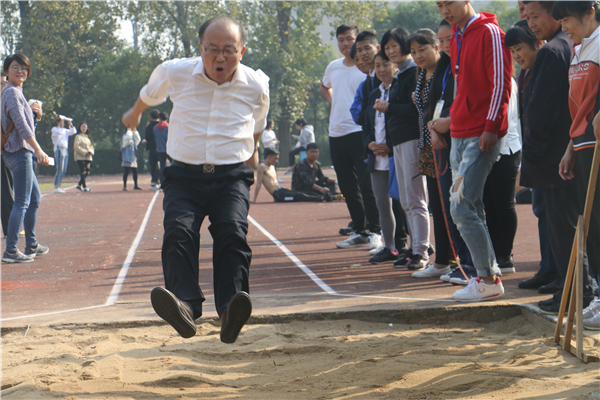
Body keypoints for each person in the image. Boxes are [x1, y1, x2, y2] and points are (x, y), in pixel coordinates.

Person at [122, 16, 269, 343]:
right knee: (178, 231)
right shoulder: (176, 72)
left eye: (229, 50)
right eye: (212, 49)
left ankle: (230, 308)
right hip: (183, 176)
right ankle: (185, 305)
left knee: (232, 232)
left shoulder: (256, 84)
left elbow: (258, 122)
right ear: (200, 48)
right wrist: (135, 112)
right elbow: (149, 93)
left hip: (231, 176)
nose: (220, 57)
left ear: (242, 51)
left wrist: (253, 150)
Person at [432, 1, 512, 302]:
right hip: (459, 132)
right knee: (470, 206)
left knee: (461, 205)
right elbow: (461, 87)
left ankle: (488, 278)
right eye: (439, 5)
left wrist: (492, 126)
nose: (445, 10)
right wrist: (452, 121)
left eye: (449, 3)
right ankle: (485, 276)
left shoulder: (490, 31)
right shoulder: (457, 35)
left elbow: (501, 82)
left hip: (481, 132)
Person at [522, 0, 594, 314]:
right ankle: (577, 293)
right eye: (527, 17)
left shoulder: (555, 51)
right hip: (571, 148)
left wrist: (533, 153)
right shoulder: (573, 47)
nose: (531, 24)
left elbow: (542, 110)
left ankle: (578, 294)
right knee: (571, 228)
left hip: (563, 155)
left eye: (535, 16)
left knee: (568, 228)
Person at [553, 0, 600, 329]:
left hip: (598, 143)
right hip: (582, 143)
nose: (564, 27)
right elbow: (578, 104)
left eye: (567, 19)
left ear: (590, 13)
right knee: (592, 224)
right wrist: (570, 146)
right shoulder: (578, 49)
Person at [321, 23, 382, 250]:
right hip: (336, 132)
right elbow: (324, 87)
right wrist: (335, 103)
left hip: (359, 132)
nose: (345, 43)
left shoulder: (365, 68)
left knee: (367, 184)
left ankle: (376, 231)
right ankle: (360, 230)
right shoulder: (333, 67)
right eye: (341, 39)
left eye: (349, 39)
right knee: (347, 187)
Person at [504, 20, 555, 290]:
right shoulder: (524, 74)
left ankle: (556, 273)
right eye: (512, 51)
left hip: (548, 155)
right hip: (533, 153)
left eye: (520, 49)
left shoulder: (546, 66)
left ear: (537, 43)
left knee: (551, 213)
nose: (516, 56)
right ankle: (547, 269)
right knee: (541, 211)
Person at [424, 19, 476, 283]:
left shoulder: (466, 64)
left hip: (465, 141)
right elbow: (436, 104)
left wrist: (449, 123)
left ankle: (475, 267)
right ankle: (462, 263)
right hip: (443, 141)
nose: (446, 45)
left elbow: (472, 103)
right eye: (441, 40)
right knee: (447, 205)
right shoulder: (444, 67)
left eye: (450, 39)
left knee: (464, 203)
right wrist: (434, 129)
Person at [380, 27, 433, 270]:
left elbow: (415, 110)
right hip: (400, 142)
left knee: (416, 198)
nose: (391, 51)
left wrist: (389, 107)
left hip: (413, 139)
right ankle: (415, 247)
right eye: (387, 47)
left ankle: (422, 250)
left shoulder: (414, 73)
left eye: (394, 45)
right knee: (406, 200)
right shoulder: (401, 75)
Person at [1, 53, 50, 263]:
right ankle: (11, 250)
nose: (20, 71)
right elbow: (21, 125)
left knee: (34, 198)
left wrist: (35, 115)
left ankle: (31, 244)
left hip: (20, 152)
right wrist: (39, 150)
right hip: (19, 152)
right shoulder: (11, 92)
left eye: (24, 68)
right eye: (15, 67)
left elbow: (24, 123)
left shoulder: (17, 92)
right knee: (21, 202)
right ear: (6, 71)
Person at [410, 28, 451, 275]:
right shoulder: (422, 76)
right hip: (428, 146)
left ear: (436, 47)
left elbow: (440, 108)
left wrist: (435, 130)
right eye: (413, 51)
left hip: (443, 143)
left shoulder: (444, 73)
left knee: (447, 205)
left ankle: (450, 260)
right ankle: (443, 260)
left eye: (422, 49)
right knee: (437, 204)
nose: (418, 55)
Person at [362, 50, 401, 264]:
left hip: (396, 155)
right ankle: (390, 247)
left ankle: (418, 247)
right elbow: (367, 125)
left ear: (395, 65)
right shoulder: (374, 93)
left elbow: (404, 123)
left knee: (407, 205)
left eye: (385, 64)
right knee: (383, 205)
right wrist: (370, 144)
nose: (381, 69)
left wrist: (390, 146)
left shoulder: (399, 90)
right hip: (377, 160)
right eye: (377, 66)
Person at [253, 148, 327, 203]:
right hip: (278, 195)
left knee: (301, 192)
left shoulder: (272, 166)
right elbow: (258, 183)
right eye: (275, 159)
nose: (276, 161)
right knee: (299, 196)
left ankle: (325, 195)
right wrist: (254, 200)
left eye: (277, 159)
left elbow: (273, 182)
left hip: (282, 190)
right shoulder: (262, 167)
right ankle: (321, 198)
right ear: (269, 157)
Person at [51, 116, 77, 193]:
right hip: (59, 149)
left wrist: (70, 123)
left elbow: (73, 131)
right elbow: (59, 132)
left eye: (63, 122)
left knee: (63, 170)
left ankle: (58, 186)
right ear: (57, 122)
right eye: (61, 122)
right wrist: (60, 124)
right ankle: (56, 186)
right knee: (60, 168)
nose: (63, 123)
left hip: (65, 149)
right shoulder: (54, 129)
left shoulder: (65, 130)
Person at [142, 109, 160, 190]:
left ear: (151, 117)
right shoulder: (160, 125)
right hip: (160, 147)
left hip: (151, 147)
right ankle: (156, 181)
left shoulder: (149, 126)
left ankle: (154, 182)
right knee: (161, 165)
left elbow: (147, 137)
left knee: (153, 166)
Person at [73, 122, 94, 192]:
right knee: (83, 171)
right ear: (80, 127)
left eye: (85, 126)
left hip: (88, 157)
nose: (84, 128)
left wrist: (91, 152)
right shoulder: (78, 136)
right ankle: (84, 187)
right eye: (82, 126)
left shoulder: (88, 137)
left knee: (87, 172)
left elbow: (91, 146)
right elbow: (76, 146)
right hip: (80, 157)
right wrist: (85, 152)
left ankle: (79, 185)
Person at [154, 111, 169, 186]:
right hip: (168, 149)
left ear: (159, 118)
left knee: (162, 166)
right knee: (174, 165)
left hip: (160, 149)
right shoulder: (169, 127)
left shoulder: (155, 128)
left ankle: (162, 182)